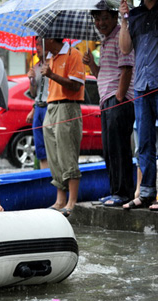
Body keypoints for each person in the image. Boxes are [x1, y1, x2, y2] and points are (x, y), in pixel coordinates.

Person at [83, 9, 135, 207]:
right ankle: (115, 191)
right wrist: (92, 65)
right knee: (109, 149)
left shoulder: (122, 35)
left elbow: (127, 68)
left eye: (105, 18)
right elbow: (102, 75)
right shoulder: (105, 42)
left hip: (117, 100)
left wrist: (120, 98)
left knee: (120, 148)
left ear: (114, 17)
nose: (100, 23)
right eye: (97, 19)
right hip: (106, 101)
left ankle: (124, 193)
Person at [120, 0, 158, 211]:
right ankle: (146, 193)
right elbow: (125, 49)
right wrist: (124, 20)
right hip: (142, 87)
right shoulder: (134, 15)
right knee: (144, 143)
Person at [41, 38, 86, 217]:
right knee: (54, 156)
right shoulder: (50, 58)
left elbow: (76, 85)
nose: (39, 44)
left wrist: (52, 75)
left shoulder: (73, 54)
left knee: (67, 153)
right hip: (51, 107)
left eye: (41, 39)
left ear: (50, 38)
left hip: (67, 107)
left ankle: (72, 201)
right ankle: (60, 199)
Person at [26, 37, 50, 170]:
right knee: (40, 147)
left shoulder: (52, 63)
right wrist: (32, 80)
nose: (37, 48)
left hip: (48, 107)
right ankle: (43, 172)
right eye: (36, 45)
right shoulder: (36, 67)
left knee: (50, 145)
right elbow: (34, 93)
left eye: (40, 44)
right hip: (38, 108)